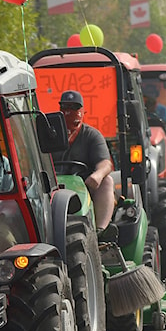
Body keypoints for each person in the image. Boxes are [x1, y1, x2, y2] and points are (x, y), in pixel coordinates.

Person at [57, 90, 116, 236]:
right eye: (66, 108)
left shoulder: (92, 135)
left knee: (106, 181)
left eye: (75, 108)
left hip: (84, 186)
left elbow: (105, 163)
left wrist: (98, 175)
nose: (70, 112)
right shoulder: (50, 134)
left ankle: (99, 232)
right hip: (54, 185)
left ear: (83, 111)